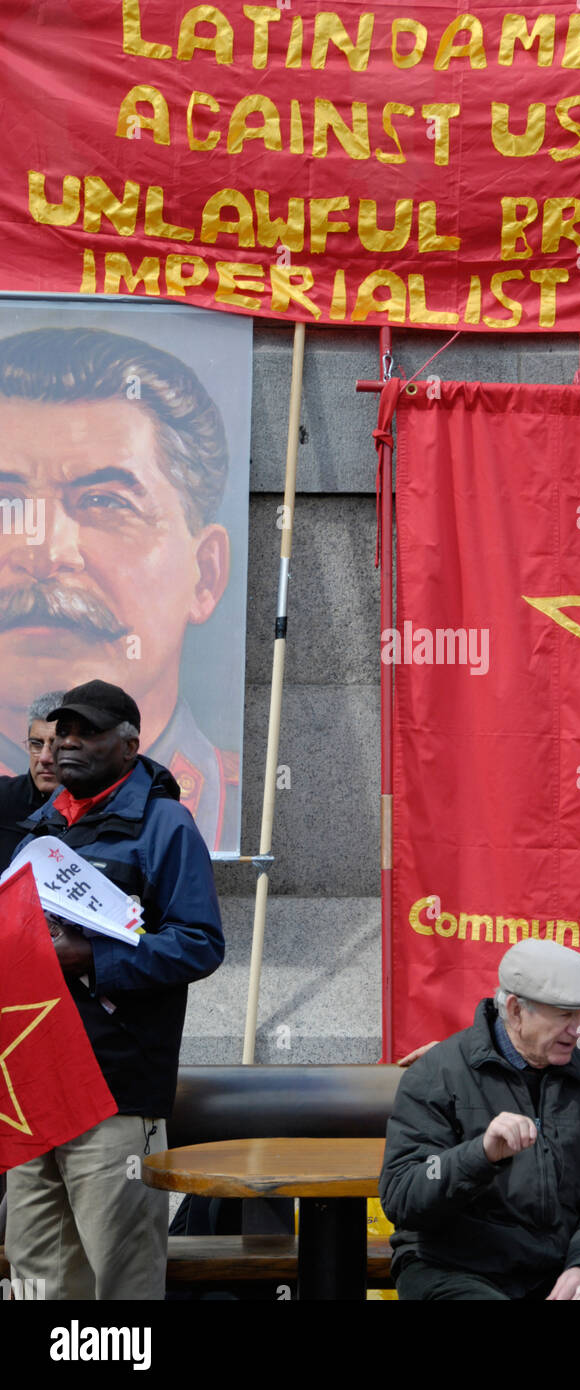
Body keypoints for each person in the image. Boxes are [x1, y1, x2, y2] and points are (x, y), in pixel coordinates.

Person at [3, 679, 224, 1299]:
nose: (68, 744)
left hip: (113, 1091)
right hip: (34, 1087)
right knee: (35, 1271)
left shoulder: (165, 825)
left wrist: (92, 957)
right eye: (62, 731)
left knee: (118, 1275)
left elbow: (201, 944)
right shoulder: (38, 833)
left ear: (129, 747)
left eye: (87, 732)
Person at [0, 326, 238, 850]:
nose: (45, 553)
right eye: (6, 507)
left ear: (206, 573)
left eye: (104, 502)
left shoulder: (222, 807)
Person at [379, 938, 580, 1300]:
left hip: (557, 1270)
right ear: (515, 1010)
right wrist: (479, 1154)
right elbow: (402, 1195)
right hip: (453, 1271)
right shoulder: (437, 1074)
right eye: (564, 1014)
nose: (579, 1029)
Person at [0, 689, 62, 871]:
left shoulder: (101, 811)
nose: (44, 757)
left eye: (56, 746)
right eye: (36, 744)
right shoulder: (4, 799)